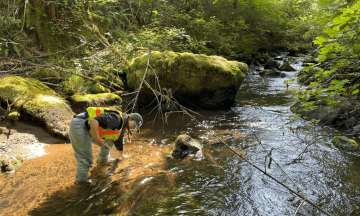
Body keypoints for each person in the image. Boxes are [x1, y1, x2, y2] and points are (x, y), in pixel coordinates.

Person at [69, 106, 143, 185]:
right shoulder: (117, 119)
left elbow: (118, 140)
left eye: (135, 128)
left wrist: (121, 156)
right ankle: (81, 182)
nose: (133, 128)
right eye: (134, 125)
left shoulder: (122, 125)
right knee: (86, 159)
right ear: (130, 118)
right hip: (79, 125)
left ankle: (102, 160)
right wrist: (97, 139)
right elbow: (93, 121)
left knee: (109, 142)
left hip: (87, 127)